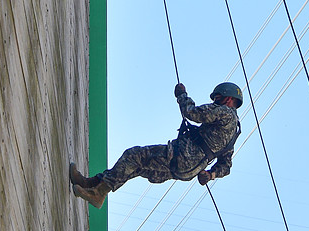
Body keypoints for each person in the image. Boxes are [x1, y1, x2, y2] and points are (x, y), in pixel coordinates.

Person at [71, 81, 243, 209]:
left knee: (133, 155)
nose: (215, 102)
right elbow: (226, 165)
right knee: (136, 167)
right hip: (187, 171)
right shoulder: (234, 133)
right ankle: (91, 184)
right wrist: (210, 175)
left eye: (218, 98)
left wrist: (182, 95)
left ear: (228, 99)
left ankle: (98, 194)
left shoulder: (225, 112)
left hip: (181, 155)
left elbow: (192, 113)